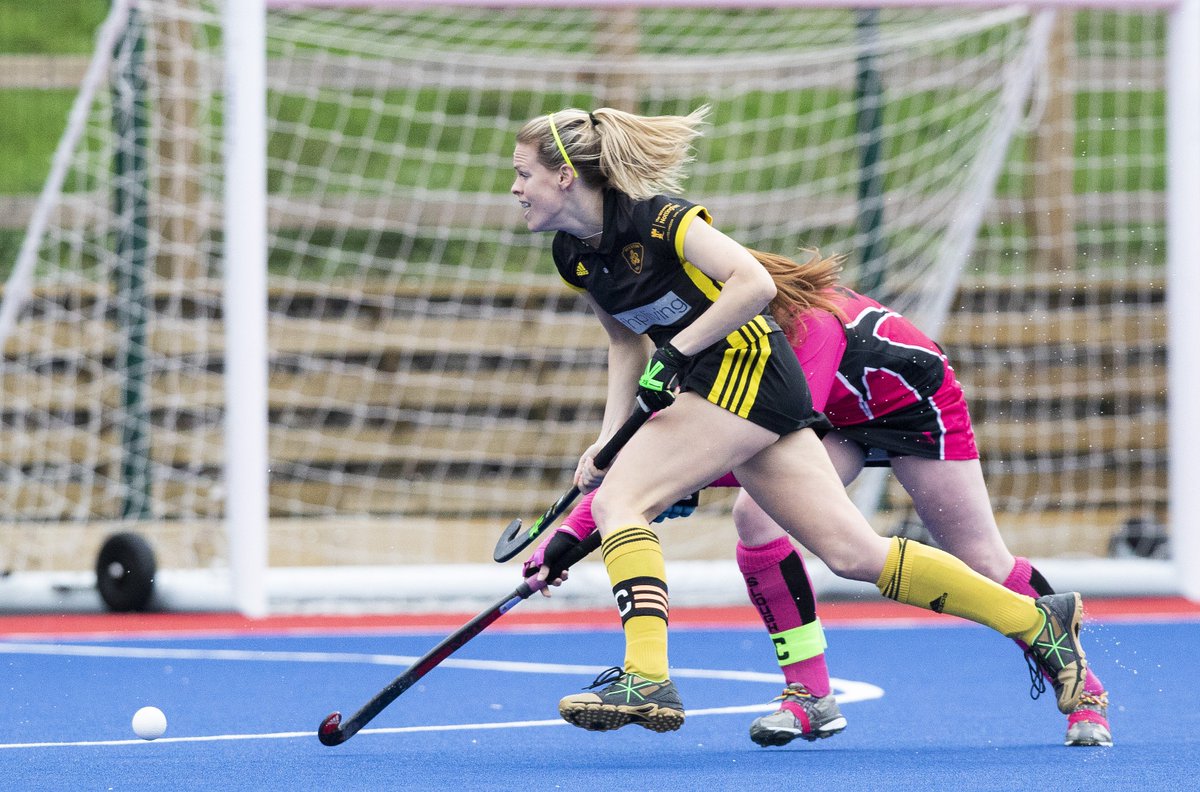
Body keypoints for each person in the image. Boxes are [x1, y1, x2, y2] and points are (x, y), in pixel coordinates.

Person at [510, 105, 1090, 737]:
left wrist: (678, 358)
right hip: (730, 385)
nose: (515, 189)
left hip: (748, 367)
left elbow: (753, 284)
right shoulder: (575, 256)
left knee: (624, 503)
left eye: (523, 174)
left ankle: (645, 676)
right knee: (852, 553)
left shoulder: (662, 220)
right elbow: (626, 344)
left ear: (566, 176)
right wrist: (606, 440)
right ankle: (1039, 623)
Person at [523, 277, 1112, 747]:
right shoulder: (718, 333)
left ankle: (1081, 680)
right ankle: (810, 695)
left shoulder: (803, 327)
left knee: (982, 558)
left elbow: (755, 437)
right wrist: (584, 529)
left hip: (909, 404)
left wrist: (661, 489)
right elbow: (687, 439)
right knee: (756, 521)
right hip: (835, 420)